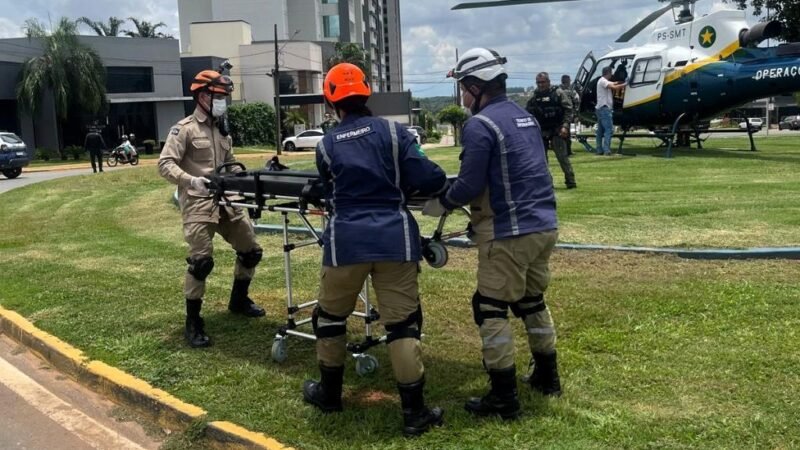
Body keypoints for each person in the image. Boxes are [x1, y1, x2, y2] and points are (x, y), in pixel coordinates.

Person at [302, 62, 447, 437]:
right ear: (366, 93)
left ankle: (329, 395)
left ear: (332, 101)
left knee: (330, 318)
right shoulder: (395, 133)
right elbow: (429, 177)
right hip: (393, 239)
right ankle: (414, 413)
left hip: (345, 241)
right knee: (403, 324)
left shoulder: (327, 145)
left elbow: (327, 186)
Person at [425, 48, 562, 420]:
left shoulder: (480, 125)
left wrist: (443, 203)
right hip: (544, 226)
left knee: (489, 308)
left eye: (463, 91)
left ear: (475, 87)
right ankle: (549, 378)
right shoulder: (526, 118)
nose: (463, 98)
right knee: (532, 300)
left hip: (509, 233)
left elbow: (469, 184)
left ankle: (504, 397)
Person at [158, 70, 266, 348]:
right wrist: (190, 179)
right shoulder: (184, 129)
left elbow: (229, 162)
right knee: (201, 262)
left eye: (224, 97)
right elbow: (165, 164)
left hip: (226, 201)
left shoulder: (221, 128)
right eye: (219, 97)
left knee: (251, 251)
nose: (223, 102)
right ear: (203, 95)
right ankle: (193, 322)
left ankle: (238, 300)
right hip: (198, 203)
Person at [526, 72, 577, 189]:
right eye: (539, 82)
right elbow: (528, 113)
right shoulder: (534, 97)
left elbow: (569, 110)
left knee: (562, 157)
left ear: (548, 82)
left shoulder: (558, 93)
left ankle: (570, 181)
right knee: (542, 159)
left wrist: (565, 126)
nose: (541, 85)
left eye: (543, 82)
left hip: (557, 129)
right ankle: (548, 183)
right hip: (542, 131)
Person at [596, 66, 626, 156]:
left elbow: (613, 83)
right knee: (608, 130)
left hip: (600, 108)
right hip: (605, 108)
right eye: (611, 73)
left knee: (600, 131)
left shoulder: (601, 80)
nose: (612, 74)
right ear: (608, 73)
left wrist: (620, 82)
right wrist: (626, 84)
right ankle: (607, 150)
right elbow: (613, 87)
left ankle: (599, 150)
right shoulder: (603, 81)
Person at [559, 75, 580, 156]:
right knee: (567, 135)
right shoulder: (571, 91)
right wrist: (576, 114)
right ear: (568, 81)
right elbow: (577, 102)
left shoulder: (557, 90)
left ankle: (562, 151)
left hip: (559, 116)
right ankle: (568, 151)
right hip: (568, 115)